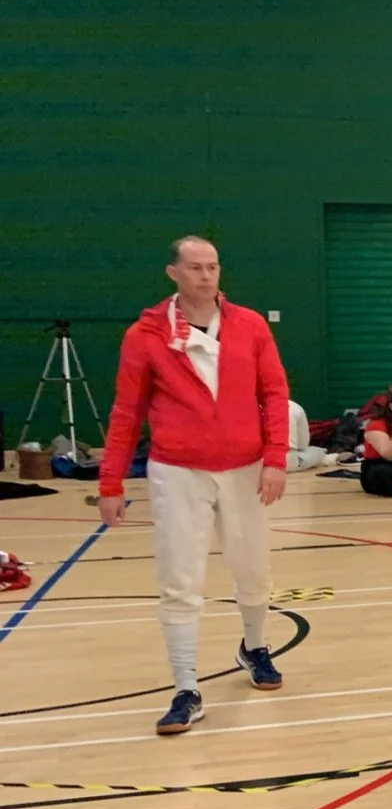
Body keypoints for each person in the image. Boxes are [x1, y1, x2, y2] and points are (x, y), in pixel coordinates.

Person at [97, 236, 291, 734]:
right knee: (179, 581)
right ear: (173, 273)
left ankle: (255, 648)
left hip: (246, 468)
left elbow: (274, 392)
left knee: (253, 570)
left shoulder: (249, 326)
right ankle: (186, 688)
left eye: (213, 267)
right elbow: (126, 413)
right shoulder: (145, 336)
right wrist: (111, 481)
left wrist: (275, 458)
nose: (206, 276)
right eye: (195, 267)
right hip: (178, 471)